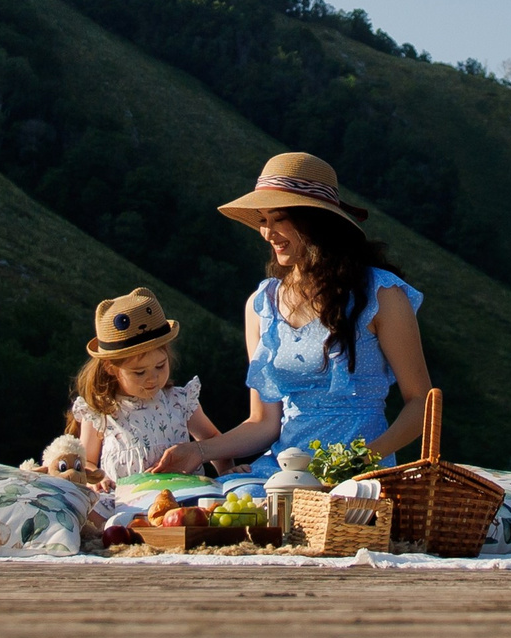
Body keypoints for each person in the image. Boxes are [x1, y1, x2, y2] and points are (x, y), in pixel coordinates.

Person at [151, 151, 433, 478]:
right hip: (283, 472)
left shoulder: (381, 295)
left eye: (280, 218)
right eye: (263, 220)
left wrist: (363, 460)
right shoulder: (262, 304)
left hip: (361, 474)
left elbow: (421, 402)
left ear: (315, 220)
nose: (268, 233)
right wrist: (197, 451)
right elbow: (263, 423)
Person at [67, 287, 223, 485]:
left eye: (160, 366)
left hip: (183, 503)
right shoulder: (100, 412)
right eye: (139, 372)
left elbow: (213, 441)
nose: (153, 378)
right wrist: (96, 480)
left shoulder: (180, 401)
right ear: (111, 368)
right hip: (126, 508)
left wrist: (228, 475)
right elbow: (86, 462)